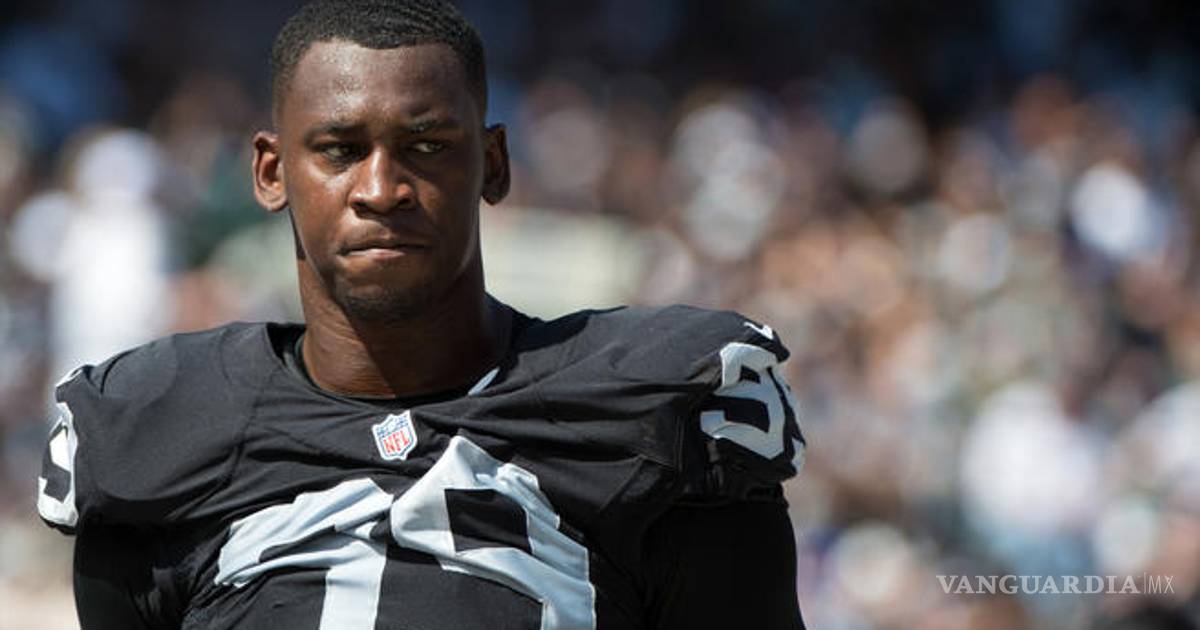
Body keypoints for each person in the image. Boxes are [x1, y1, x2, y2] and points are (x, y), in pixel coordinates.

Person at [36, 1, 808, 627]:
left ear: (492, 164)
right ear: (271, 173)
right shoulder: (150, 434)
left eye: (427, 146)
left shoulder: (655, 416)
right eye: (340, 149)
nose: (382, 190)